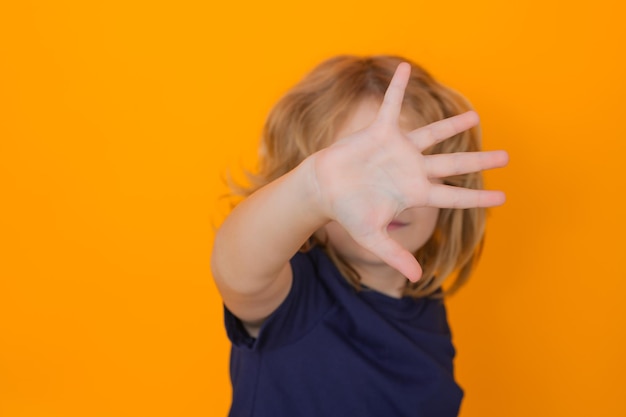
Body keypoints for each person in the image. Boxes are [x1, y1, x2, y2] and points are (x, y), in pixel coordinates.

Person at [211, 55, 508, 416]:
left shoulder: (425, 305)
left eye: (408, 167)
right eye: (362, 173)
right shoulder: (296, 297)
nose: (390, 201)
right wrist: (313, 189)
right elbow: (237, 269)